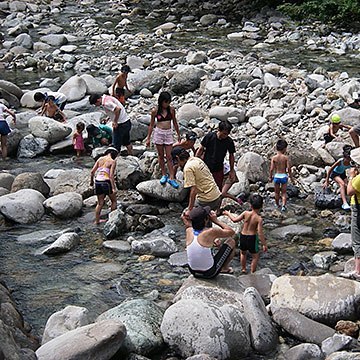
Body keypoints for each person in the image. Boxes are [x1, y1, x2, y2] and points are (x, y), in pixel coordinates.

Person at [181, 206, 236, 278]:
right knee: (231, 241)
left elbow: (193, 227)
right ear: (206, 219)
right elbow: (231, 232)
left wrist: (185, 217)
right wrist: (216, 220)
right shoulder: (211, 232)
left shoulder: (189, 231)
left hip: (193, 272)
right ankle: (225, 268)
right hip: (209, 273)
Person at [196, 121, 241, 205]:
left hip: (218, 168)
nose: (225, 136)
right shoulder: (210, 137)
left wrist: (232, 170)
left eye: (227, 134)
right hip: (206, 167)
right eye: (224, 134)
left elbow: (231, 155)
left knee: (218, 190)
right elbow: (201, 149)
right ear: (218, 130)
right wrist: (195, 161)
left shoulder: (228, 141)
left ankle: (217, 209)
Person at [224, 194, 268, 274]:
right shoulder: (259, 218)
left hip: (243, 236)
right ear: (262, 205)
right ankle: (252, 272)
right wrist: (264, 244)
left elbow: (234, 220)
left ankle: (243, 269)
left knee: (243, 253)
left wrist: (228, 213)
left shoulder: (245, 213)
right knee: (255, 256)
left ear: (250, 205)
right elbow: (260, 232)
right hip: (252, 238)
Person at [146, 91, 181, 189]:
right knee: (161, 156)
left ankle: (171, 176)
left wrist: (178, 134)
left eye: (168, 102)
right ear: (161, 101)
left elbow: (174, 122)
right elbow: (152, 124)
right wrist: (148, 138)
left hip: (168, 133)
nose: (167, 104)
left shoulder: (171, 110)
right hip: (159, 133)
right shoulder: (155, 111)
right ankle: (163, 174)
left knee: (169, 156)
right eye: (165, 102)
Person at [176, 149, 222, 216]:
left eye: (176, 162)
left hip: (207, 199)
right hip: (217, 195)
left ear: (178, 158)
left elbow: (193, 190)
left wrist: (189, 209)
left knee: (186, 216)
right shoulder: (196, 159)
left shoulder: (188, 168)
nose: (177, 165)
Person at [342, 148, 360, 280]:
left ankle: (357, 271)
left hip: (358, 208)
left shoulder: (358, 178)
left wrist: (352, 176)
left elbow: (349, 191)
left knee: (357, 239)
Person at [90, 147, 118, 225]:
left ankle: (97, 221)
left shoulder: (100, 159)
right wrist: (113, 188)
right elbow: (111, 175)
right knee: (114, 201)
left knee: (100, 203)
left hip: (98, 182)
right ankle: (111, 220)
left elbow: (92, 172)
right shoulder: (112, 161)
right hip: (106, 182)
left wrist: (91, 181)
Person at [323, 145, 353, 210]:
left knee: (347, 186)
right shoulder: (340, 161)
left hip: (342, 173)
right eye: (348, 159)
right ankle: (344, 203)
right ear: (344, 158)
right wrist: (326, 180)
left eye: (350, 159)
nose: (349, 160)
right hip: (334, 173)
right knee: (342, 184)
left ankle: (350, 200)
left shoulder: (351, 163)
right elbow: (330, 169)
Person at [269, 139, 294, 211]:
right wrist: (291, 178)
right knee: (283, 193)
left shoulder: (274, 158)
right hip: (284, 176)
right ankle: (283, 206)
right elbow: (289, 168)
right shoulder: (285, 158)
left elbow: (271, 169)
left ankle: (277, 205)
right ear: (284, 148)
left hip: (277, 176)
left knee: (276, 192)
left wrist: (270, 177)